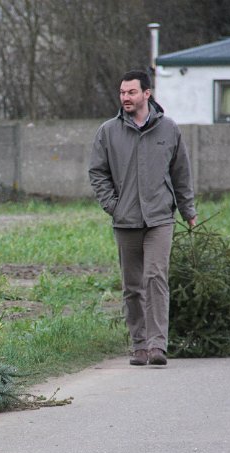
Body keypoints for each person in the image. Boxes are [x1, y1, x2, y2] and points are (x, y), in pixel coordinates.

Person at [88, 70, 197, 367]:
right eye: (122, 92)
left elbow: (181, 173)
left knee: (155, 277)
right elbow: (97, 172)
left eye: (131, 92)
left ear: (147, 93)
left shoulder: (169, 129)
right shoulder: (108, 131)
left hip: (160, 218)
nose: (125, 97)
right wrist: (113, 205)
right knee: (132, 285)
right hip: (125, 220)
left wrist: (188, 210)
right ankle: (139, 345)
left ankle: (157, 345)